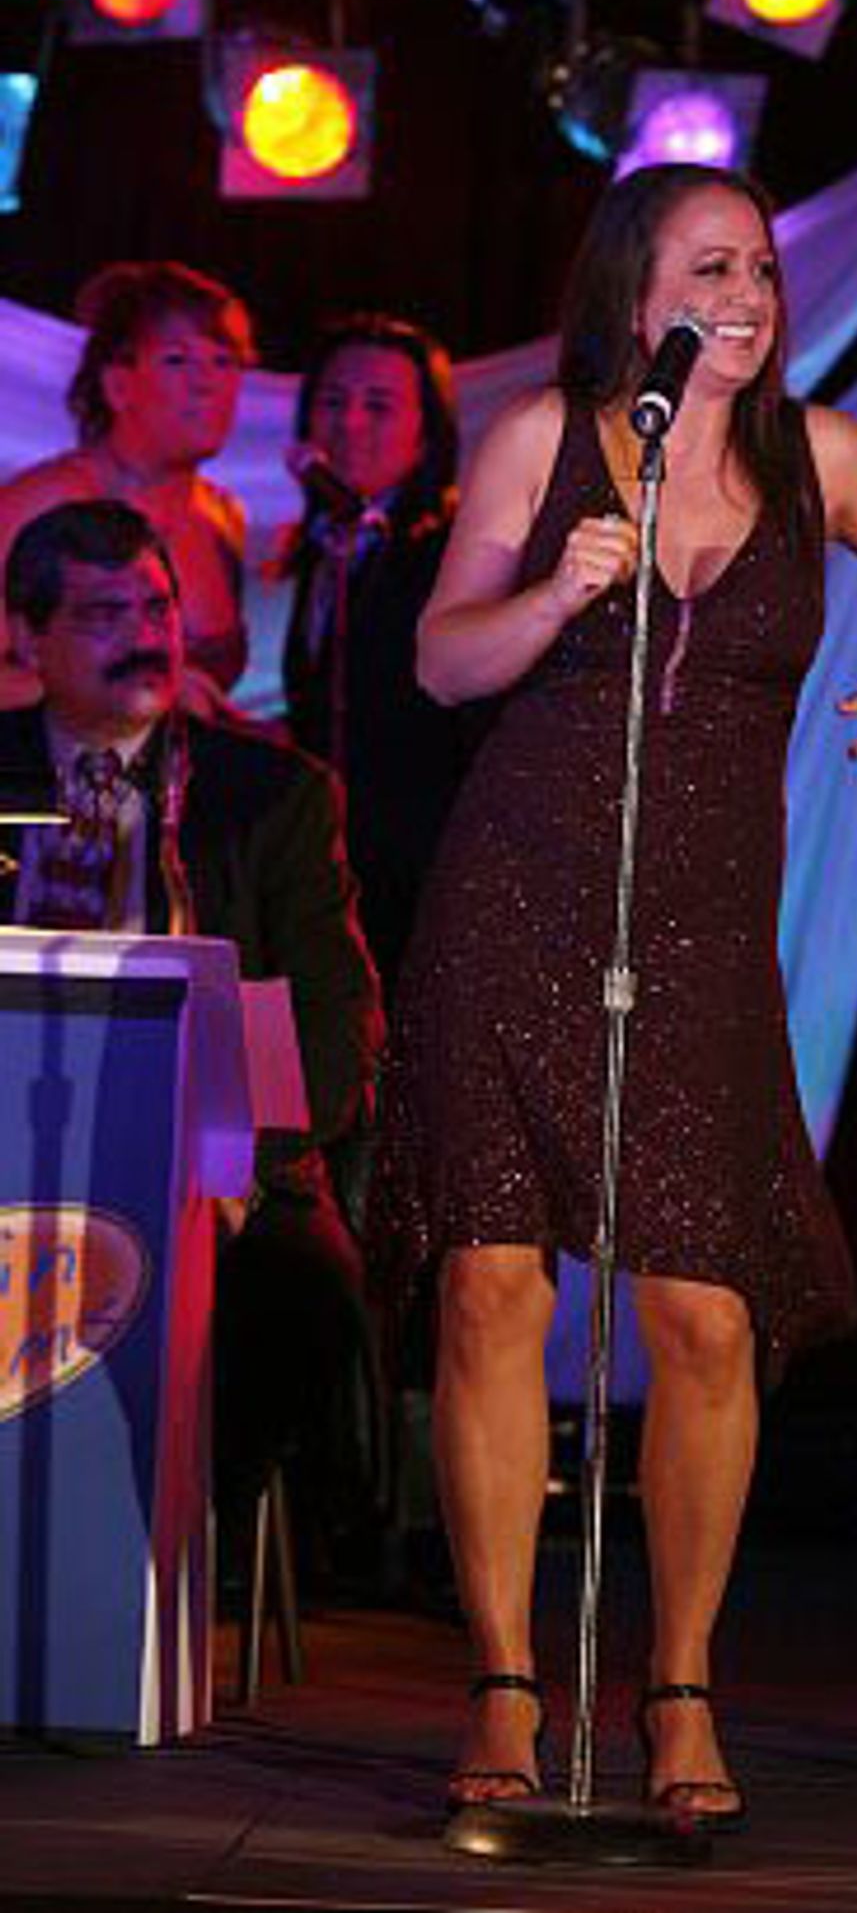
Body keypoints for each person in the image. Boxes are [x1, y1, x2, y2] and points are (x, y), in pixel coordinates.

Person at [368, 163, 857, 1823]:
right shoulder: (541, 440)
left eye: (763, 269)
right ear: (635, 294)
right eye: (711, 267)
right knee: (493, 1284)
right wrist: (557, 589)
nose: (747, 295)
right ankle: (507, 1681)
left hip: (703, 926)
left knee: (706, 1311)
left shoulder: (822, 458)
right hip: (518, 894)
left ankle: (682, 1685)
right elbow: (441, 660)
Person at [0, 500, 384, 1532]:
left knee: (300, 1295)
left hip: (220, 1173)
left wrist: (240, 1161)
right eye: (103, 614)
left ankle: (180, 1543)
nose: (144, 637)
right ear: (26, 635)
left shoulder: (271, 794)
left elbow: (336, 1022)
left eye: (158, 608)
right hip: (13, 1166)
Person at [278, 313, 479, 995]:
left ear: (428, 432)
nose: (350, 423)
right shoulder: (325, 548)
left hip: (420, 887)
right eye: (332, 401)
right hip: (329, 876)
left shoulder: (454, 554)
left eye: (380, 405)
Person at [0, 260, 254, 715]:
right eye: (177, 360)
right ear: (118, 384)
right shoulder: (45, 503)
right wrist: (133, 695)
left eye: (224, 361)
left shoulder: (223, 512)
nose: (208, 383)